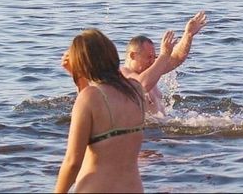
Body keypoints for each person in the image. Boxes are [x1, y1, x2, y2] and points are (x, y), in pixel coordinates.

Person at [55, 28, 176, 193]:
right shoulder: (136, 90)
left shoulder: (89, 98)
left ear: (84, 63)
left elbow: (73, 162)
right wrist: (80, 79)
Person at [62, 11, 207, 115]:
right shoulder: (123, 74)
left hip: (161, 127)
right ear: (132, 55)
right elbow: (141, 86)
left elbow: (176, 58)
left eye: (154, 57)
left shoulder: (150, 71)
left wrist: (188, 35)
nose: (153, 61)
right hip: (146, 134)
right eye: (149, 57)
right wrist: (163, 55)